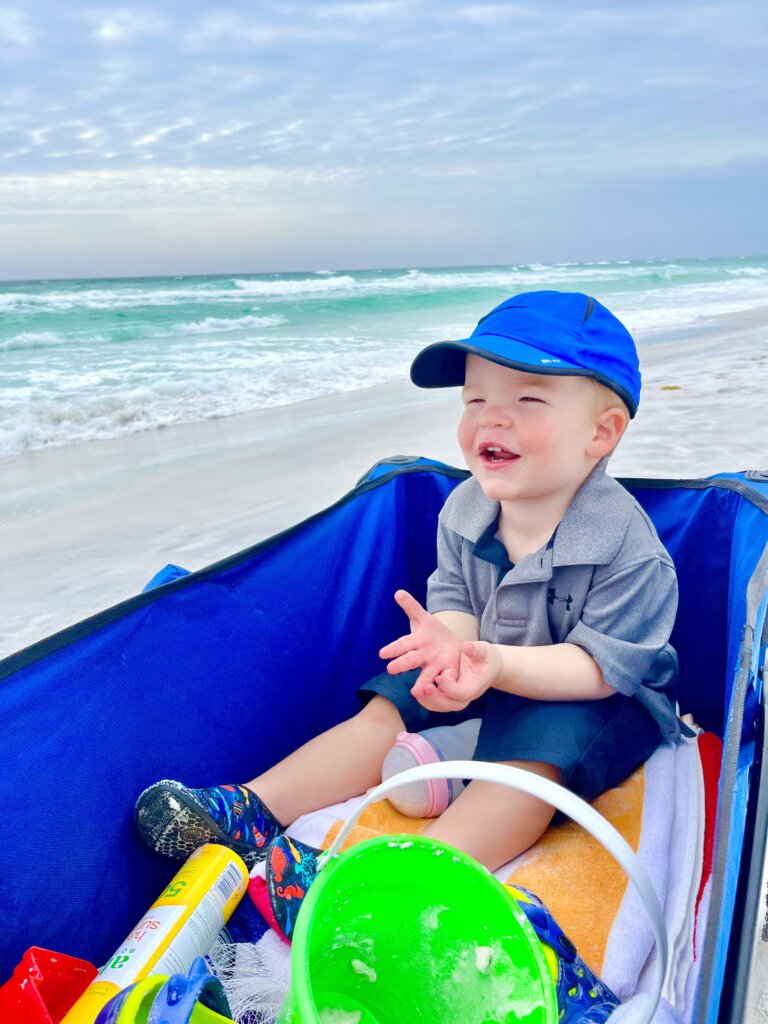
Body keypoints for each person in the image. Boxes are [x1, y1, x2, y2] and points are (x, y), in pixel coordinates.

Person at [135, 290, 681, 926]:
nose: (490, 421)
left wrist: (494, 666)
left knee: (534, 757)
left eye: (527, 400)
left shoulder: (629, 550)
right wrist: (447, 650)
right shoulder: (465, 510)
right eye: (475, 399)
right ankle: (253, 809)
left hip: (596, 696)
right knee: (395, 694)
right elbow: (453, 603)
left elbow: (598, 668)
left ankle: (387, 881)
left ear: (602, 432)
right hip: (487, 666)